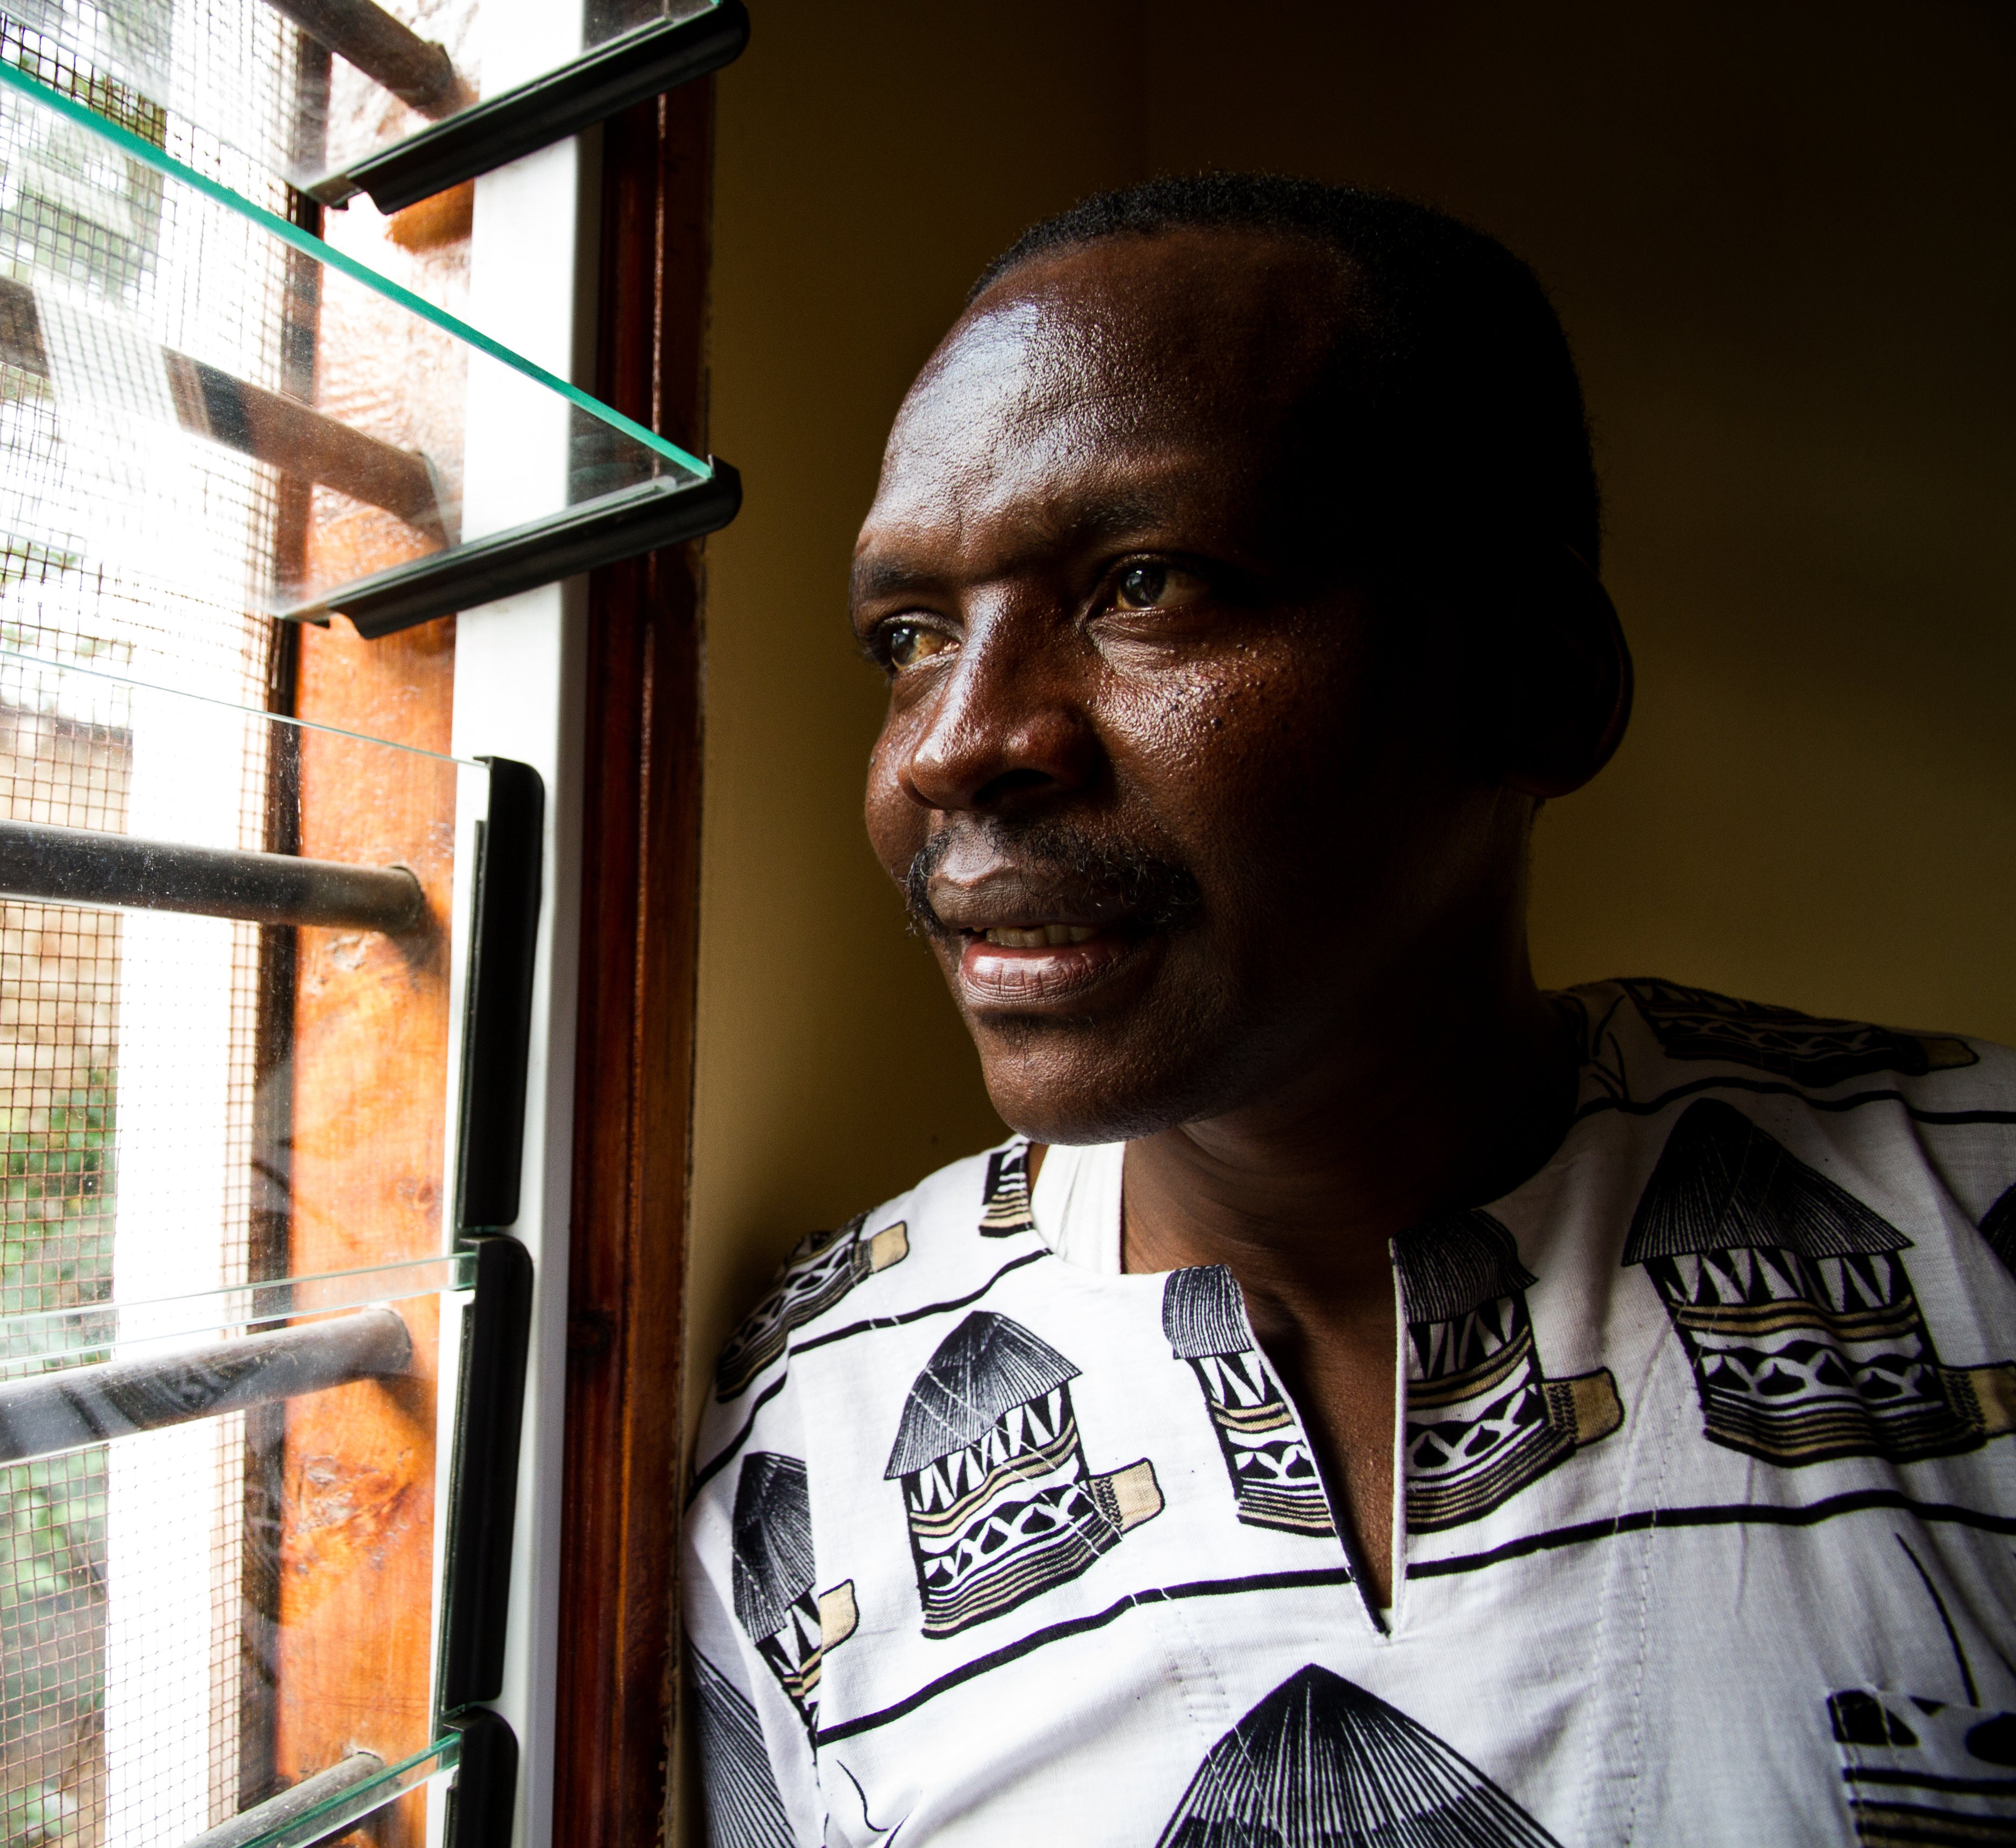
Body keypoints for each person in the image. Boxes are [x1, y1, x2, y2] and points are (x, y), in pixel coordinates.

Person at [682, 173, 2016, 1846]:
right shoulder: (819, 1420)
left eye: (1145, 583)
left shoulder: (1975, 1229)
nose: (953, 743)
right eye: (909, 631)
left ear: (1532, 685)